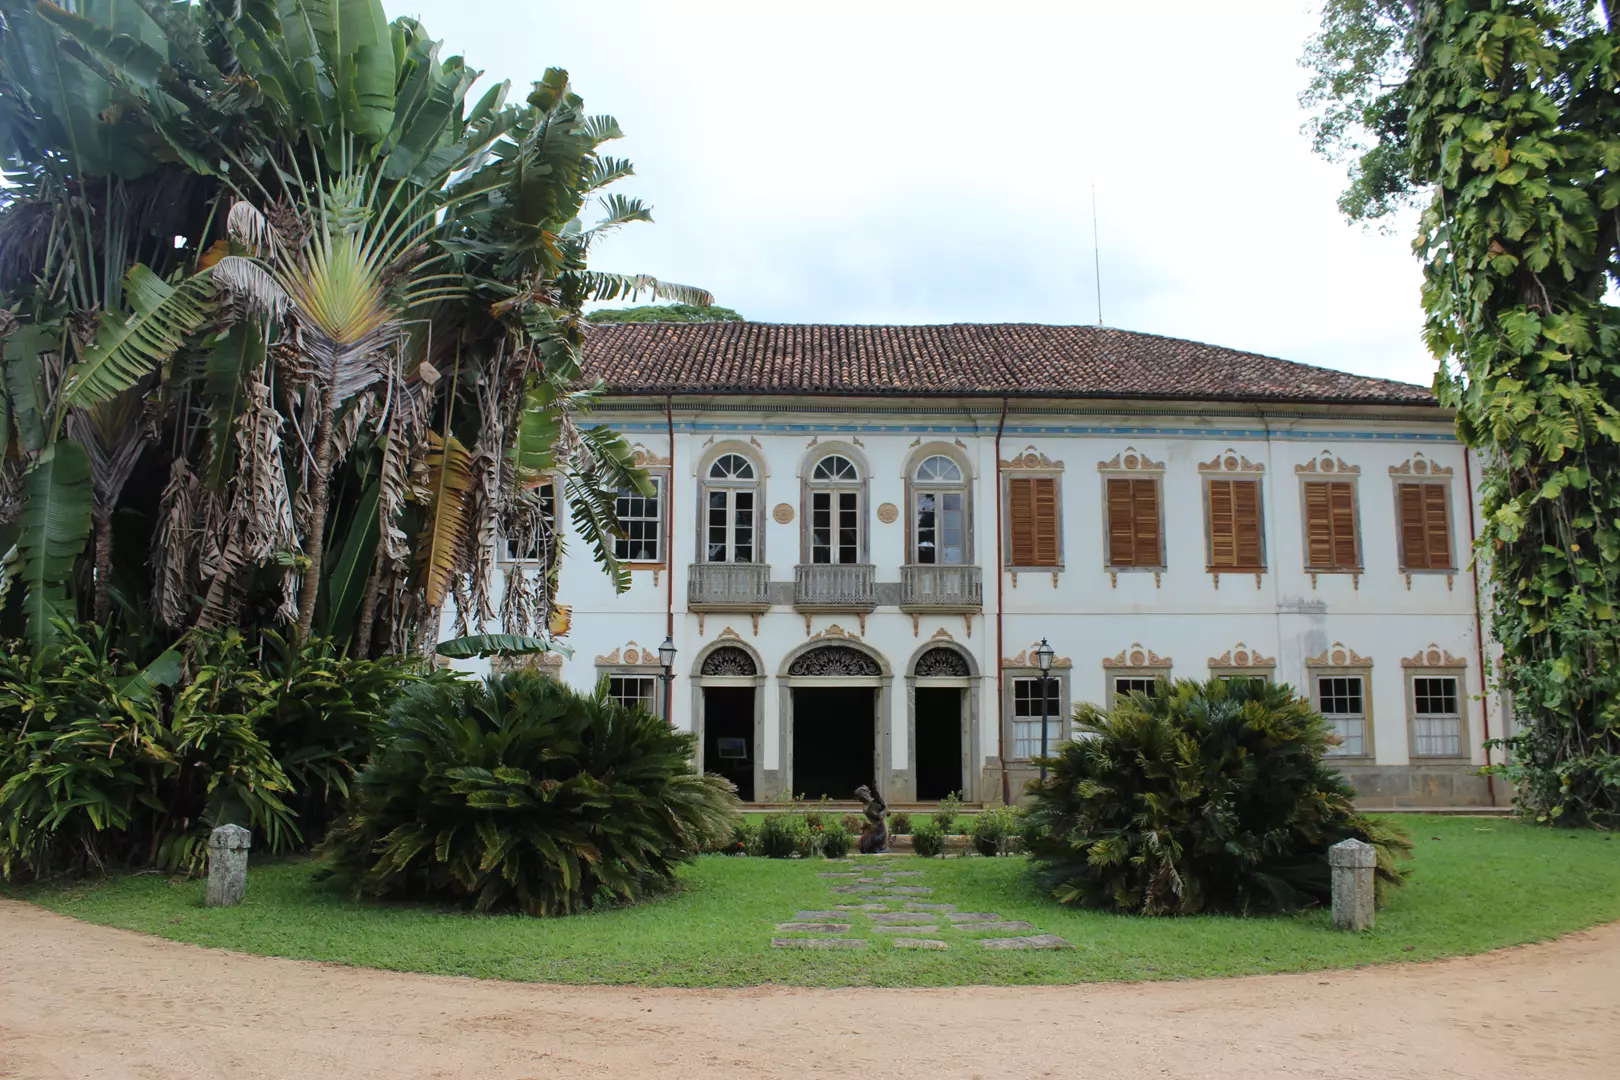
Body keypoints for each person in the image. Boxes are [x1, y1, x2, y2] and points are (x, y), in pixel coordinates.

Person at [853, 783, 888, 854]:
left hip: (878, 828)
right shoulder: (868, 808)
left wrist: (875, 790)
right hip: (878, 830)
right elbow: (880, 817)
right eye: (867, 792)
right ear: (864, 795)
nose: (869, 793)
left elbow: (879, 801)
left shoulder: (870, 804)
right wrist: (886, 808)